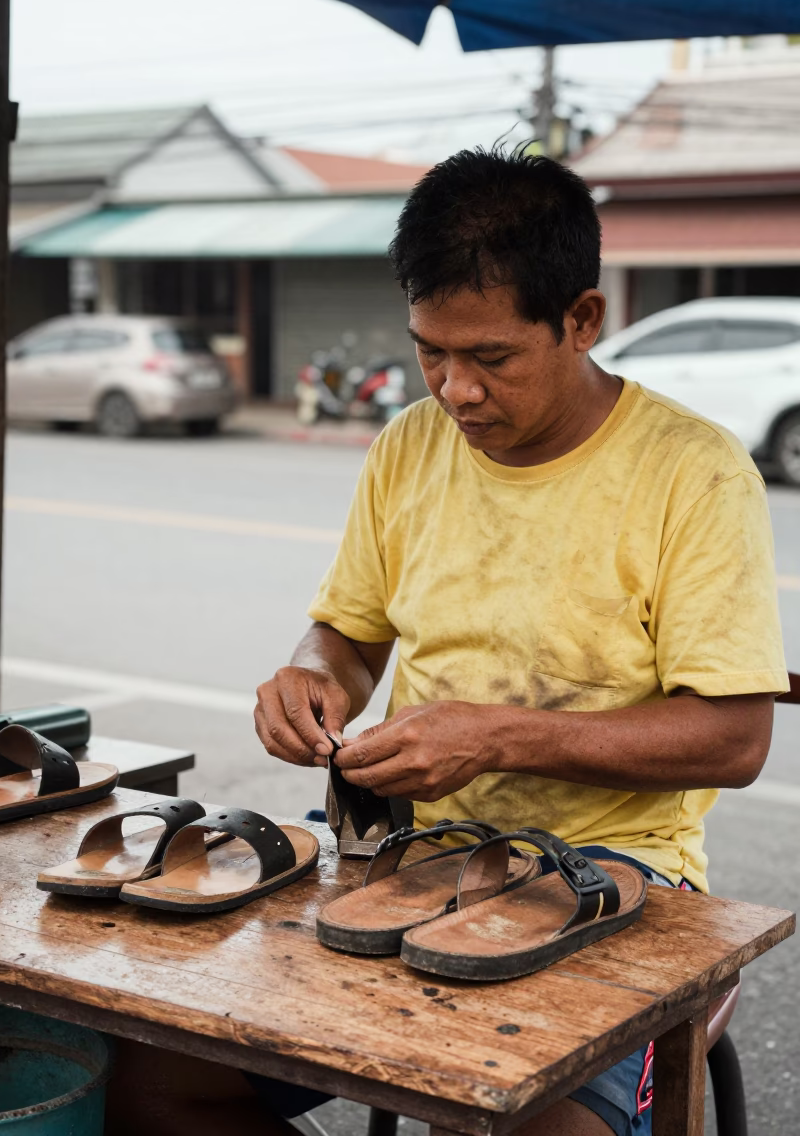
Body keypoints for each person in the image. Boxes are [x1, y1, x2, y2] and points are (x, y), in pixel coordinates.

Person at [107, 148, 787, 1136]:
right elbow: (348, 633)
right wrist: (312, 677)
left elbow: (734, 739)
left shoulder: (696, 473)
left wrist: (499, 736)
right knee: (152, 1081)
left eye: (493, 358)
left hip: (615, 871)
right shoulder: (410, 444)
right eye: (432, 351)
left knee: (534, 1125)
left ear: (581, 321)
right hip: (402, 852)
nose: (455, 391)